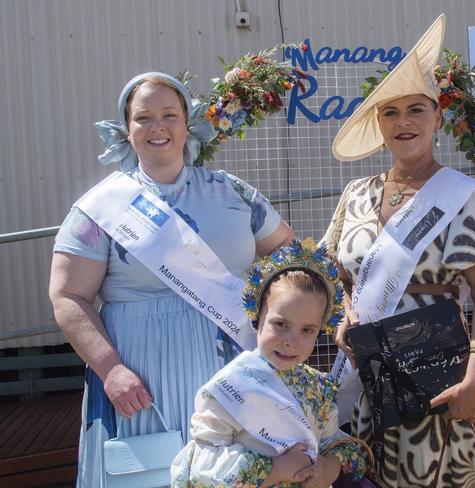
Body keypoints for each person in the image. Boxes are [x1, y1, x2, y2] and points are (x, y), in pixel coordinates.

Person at [48, 72, 294, 487]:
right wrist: (111, 370)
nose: (157, 127)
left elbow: (290, 260)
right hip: (142, 376)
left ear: (188, 123)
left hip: (232, 370)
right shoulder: (98, 209)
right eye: (143, 117)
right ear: (126, 130)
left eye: (170, 115)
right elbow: (69, 296)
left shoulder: (234, 193)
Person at [323, 14, 475, 487]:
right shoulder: (355, 194)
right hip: (372, 371)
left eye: (416, 110)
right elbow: (342, 277)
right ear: (378, 124)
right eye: (390, 112)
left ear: (437, 117)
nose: (403, 122)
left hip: (438, 369)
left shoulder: (463, 195)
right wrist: (347, 314)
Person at [170, 238, 368, 488]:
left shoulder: (318, 388)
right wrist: (276, 469)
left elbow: (334, 443)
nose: (291, 341)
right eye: (281, 324)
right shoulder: (230, 387)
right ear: (257, 316)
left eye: (307, 330)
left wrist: (327, 469)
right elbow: (202, 465)